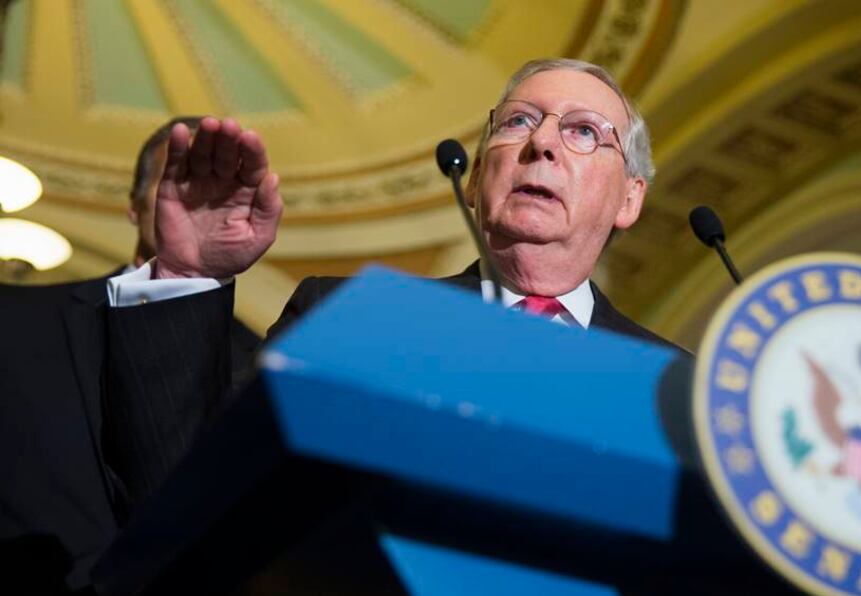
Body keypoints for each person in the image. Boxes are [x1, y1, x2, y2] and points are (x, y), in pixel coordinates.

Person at [103, 58, 688, 499]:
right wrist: (184, 274)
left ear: (630, 199)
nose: (540, 144)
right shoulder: (347, 316)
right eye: (518, 122)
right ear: (478, 173)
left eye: (584, 131)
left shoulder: (679, 390)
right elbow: (191, 485)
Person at [0, 117, 260, 596]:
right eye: (181, 175)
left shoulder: (264, 363)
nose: (200, 194)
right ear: (135, 205)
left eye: (220, 182)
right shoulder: (14, 321)